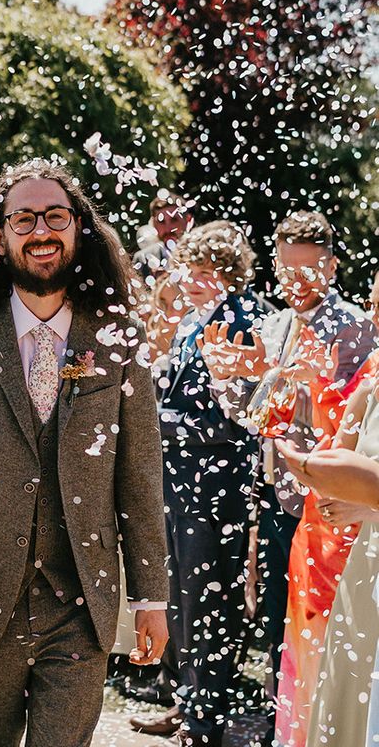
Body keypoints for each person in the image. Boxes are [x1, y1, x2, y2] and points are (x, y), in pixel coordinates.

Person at [0, 159, 169, 747]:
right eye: (23, 219)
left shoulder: (118, 335)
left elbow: (139, 471)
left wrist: (151, 597)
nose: (41, 231)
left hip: (81, 605)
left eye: (55, 216)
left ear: (79, 228)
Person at [201, 210, 378, 746]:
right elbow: (253, 416)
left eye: (309, 269)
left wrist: (313, 384)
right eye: (287, 270)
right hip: (277, 497)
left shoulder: (357, 328)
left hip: (336, 511)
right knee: (283, 623)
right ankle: (289, 727)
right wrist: (227, 377)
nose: (297, 281)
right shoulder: (274, 325)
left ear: (333, 267)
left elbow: (355, 424)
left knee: (331, 631)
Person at [130, 222, 261, 745]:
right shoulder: (190, 322)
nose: (195, 281)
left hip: (218, 485)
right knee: (179, 596)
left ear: (231, 277)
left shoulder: (240, 324)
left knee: (210, 601)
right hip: (178, 480)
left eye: (208, 273)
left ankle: (206, 720)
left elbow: (239, 420)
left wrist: (156, 422)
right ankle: (185, 701)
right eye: (191, 270)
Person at [278, 374, 379, 747]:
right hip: (366, 568)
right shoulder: (371, 388)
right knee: (350, 685)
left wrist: (370, 507)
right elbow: (335, 468)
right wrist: (311, 468)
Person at [133, 190, 194, 280]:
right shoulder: (142, 259)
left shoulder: (201, 252)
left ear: (188, 220)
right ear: (153, 223)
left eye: (174, 220)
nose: (168, 228)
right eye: (161, 221)